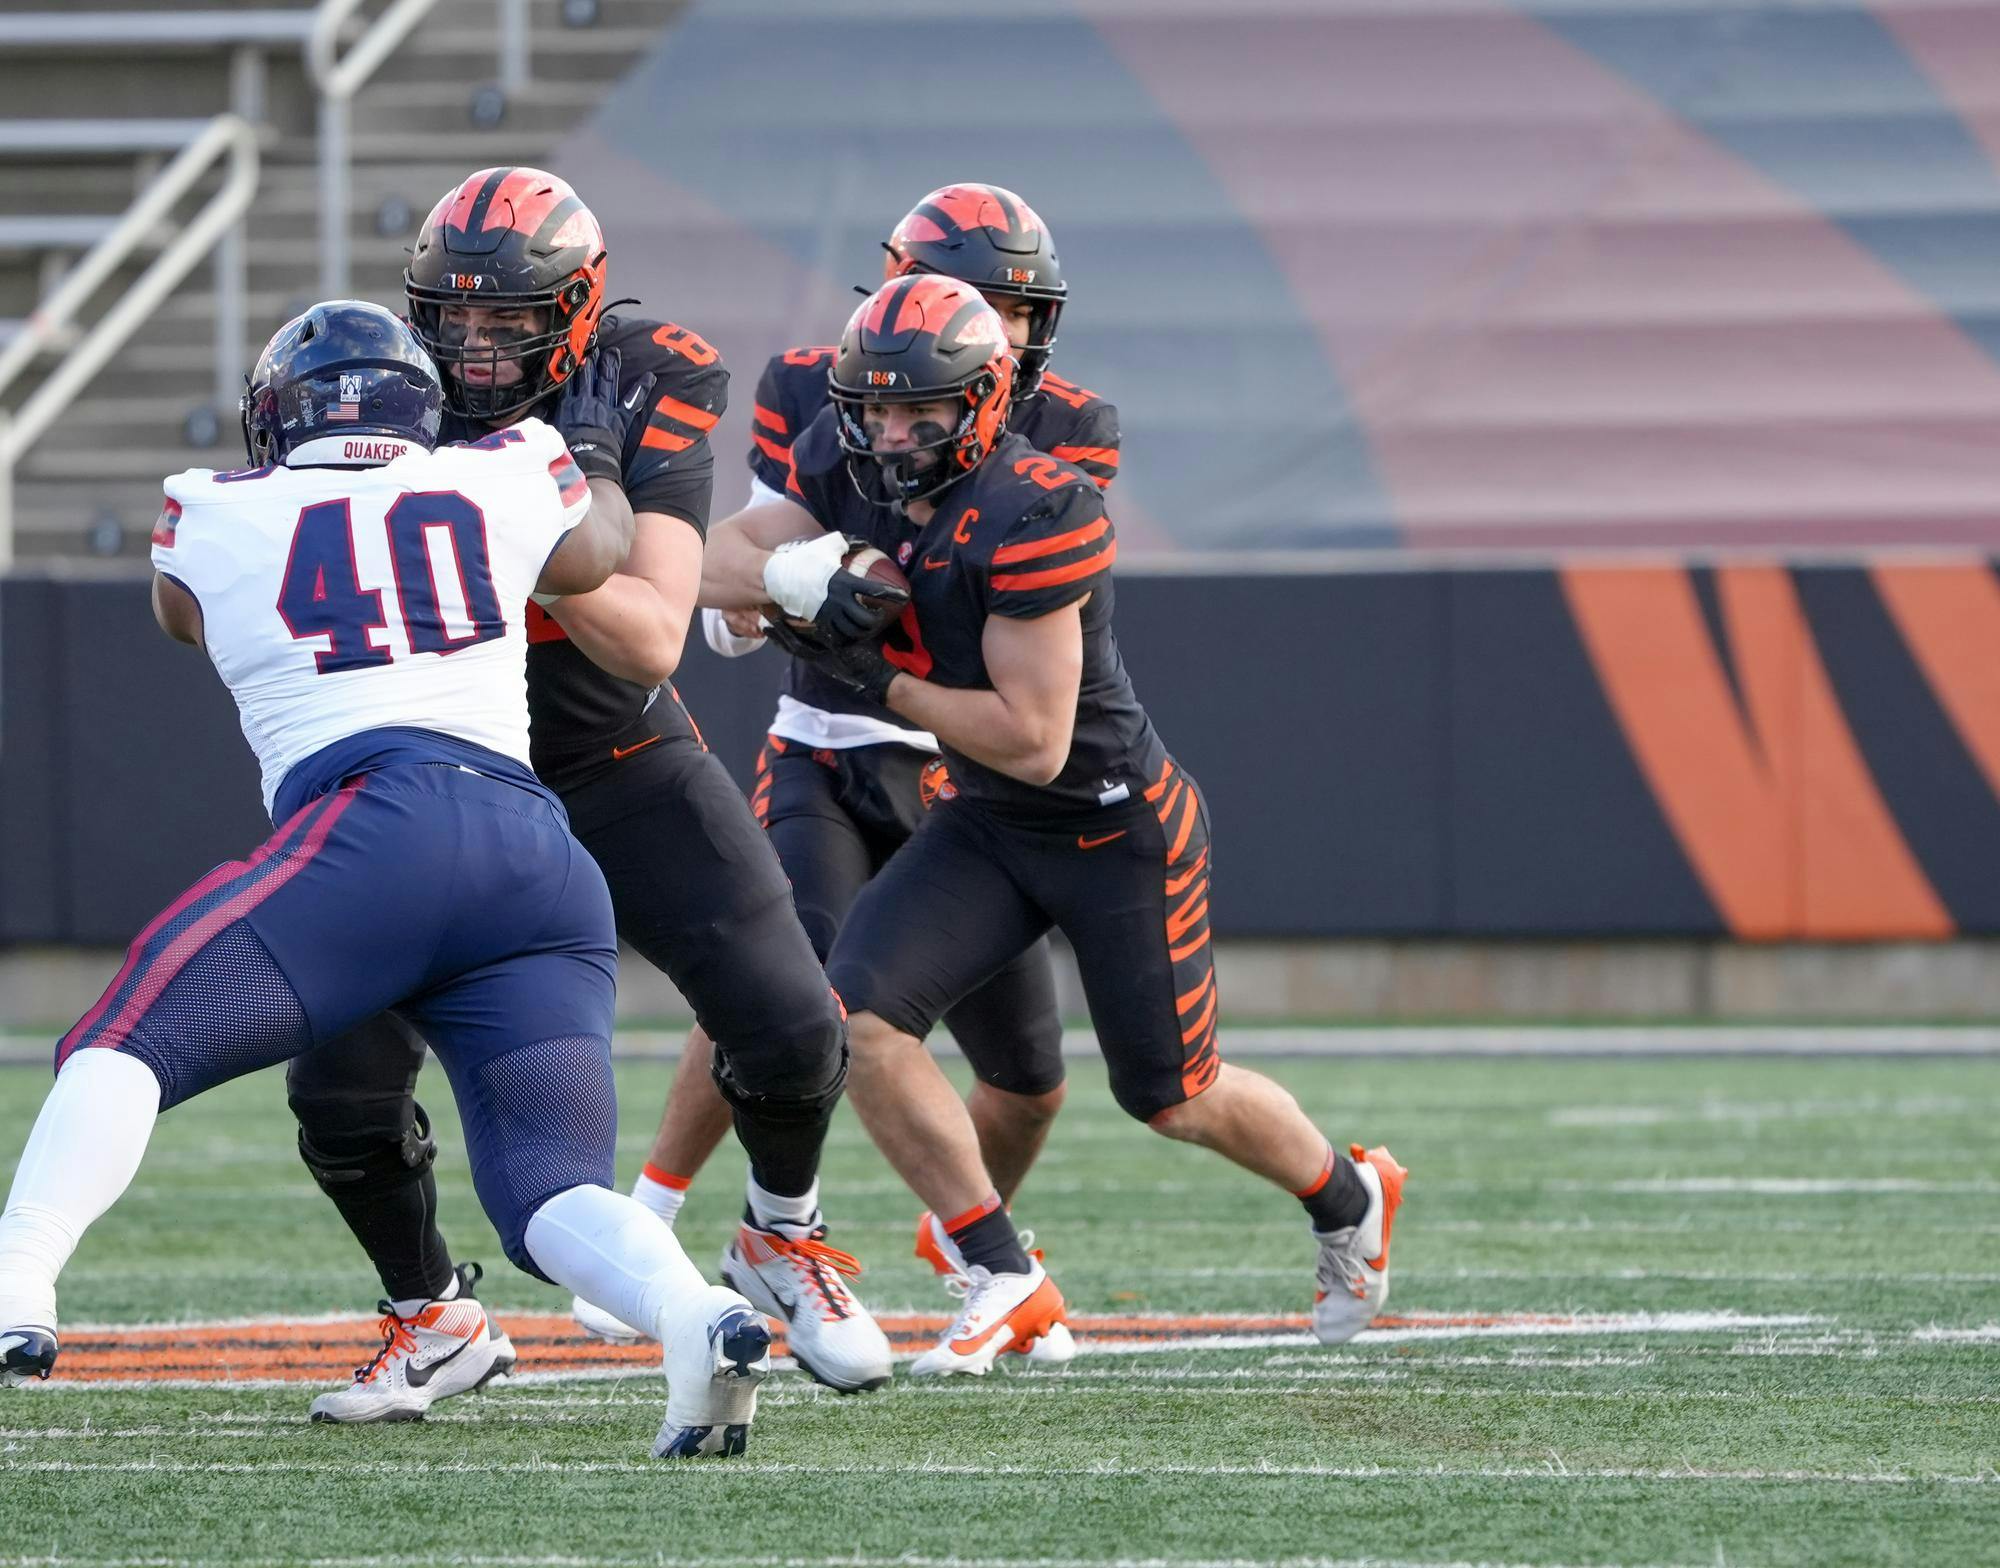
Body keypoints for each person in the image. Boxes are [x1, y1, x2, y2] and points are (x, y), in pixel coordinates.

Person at [0, 302, 770, 1458]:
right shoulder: (509, 470)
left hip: (379, 824)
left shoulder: (209, 507)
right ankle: (691, 1314)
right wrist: (596, 456)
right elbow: (600, 548)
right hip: (538, 860)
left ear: (275, 418)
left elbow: (183, 614)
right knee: (551, 1188)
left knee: (123, 1033)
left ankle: (16, 1281)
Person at [698, 274, 1409, 1374]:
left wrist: (871, 675)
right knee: (860, 1021)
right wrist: (788, 573)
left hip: (1108, 823)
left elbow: (1031, 736)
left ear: (982, 401)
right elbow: (712, 556)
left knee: (1172, 1097)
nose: (890, 433)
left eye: (918, 409)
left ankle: (1348, 1189)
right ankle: (999, 1270)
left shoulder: (1039, 504)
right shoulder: (849, 468)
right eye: (873, 408)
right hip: (984, 822)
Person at [282, 169, 893, 1421]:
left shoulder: (649, 371)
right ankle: (427, 1313)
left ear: (575, 310)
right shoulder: (381, 381)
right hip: (423, 754)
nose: (475, 345)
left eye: (510, 319)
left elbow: (650, 633)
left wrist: (542, 502)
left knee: (789, 1025)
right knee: (338, 1082)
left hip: (610, 747)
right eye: (453, 317)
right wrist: (552, 504)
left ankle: (780, 1229)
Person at [578, 186, 1116, 1357]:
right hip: (827, 740)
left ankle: (965, 1230)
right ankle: (686, 1215)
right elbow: (746, 554)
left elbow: (1001, 595)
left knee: (1027, 1076)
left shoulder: (1074, 427)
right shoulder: (819, 395)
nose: (1001, 331)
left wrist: (839, 584)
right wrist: (789, 580)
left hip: (971, 774)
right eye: (981, 303)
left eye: (1016, 309)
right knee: (788, 983)